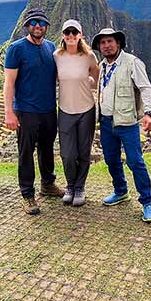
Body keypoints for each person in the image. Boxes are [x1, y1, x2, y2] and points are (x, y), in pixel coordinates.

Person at [91, 28, 151, 223]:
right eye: (102, 43)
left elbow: (146, 88)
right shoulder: (102, 66)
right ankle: (121, 191)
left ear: (118, 43)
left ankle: (147, 201)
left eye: (110, 41)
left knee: (135, 161)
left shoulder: (132, 63)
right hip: (106, 121)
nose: (106, 46)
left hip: (126, 123)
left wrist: (148, 113)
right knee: (111, 160)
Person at [4, 8, 65, 215]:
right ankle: (27, 194)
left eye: (41, 23)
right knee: (26, 153)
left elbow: (58, 76)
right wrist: (9, 112)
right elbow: (9, 82)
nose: (38, 26)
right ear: (27, 26)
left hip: (48, 109)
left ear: (47, 26)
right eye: (34, 23)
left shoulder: (51, 47)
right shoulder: (16, 49)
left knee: (47, 149)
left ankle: (48, 184)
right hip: (26, 110)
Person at [54, 19, 99, 207]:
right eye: (67, 32)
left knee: (83, 152)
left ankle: (79, 187)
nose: (71, 35)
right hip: (65, 109)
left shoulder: (89, 56)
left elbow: (95, 79)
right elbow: (55, 78)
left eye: (74, 32)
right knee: (67, 154)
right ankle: (70, 185)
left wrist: (84, 82)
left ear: (80, 35)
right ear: (63, 35)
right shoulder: (57, 56)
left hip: (86, 110)